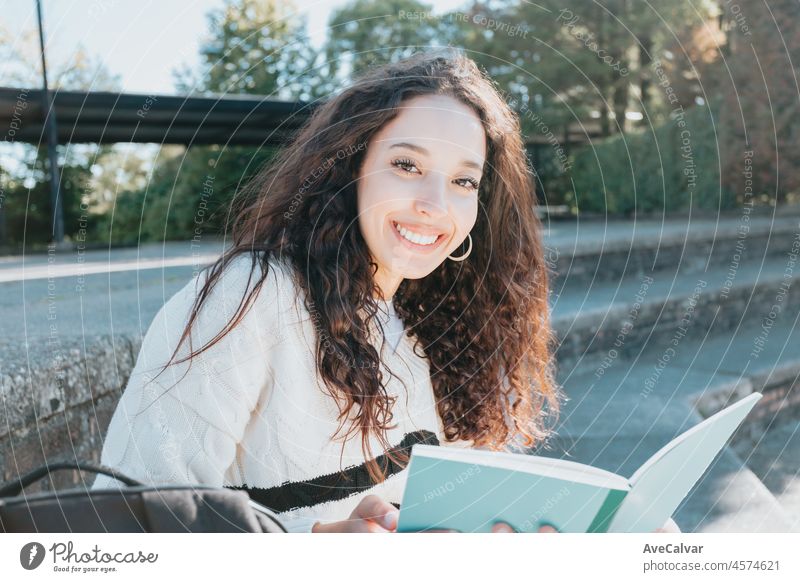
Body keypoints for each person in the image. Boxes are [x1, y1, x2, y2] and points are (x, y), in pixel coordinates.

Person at [91, 48, 679, 534]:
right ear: (349, 168)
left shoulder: (430, 329)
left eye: (463, 181)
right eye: (406, 165)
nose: (434, 204)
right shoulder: (253, 296)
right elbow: (125, 528)